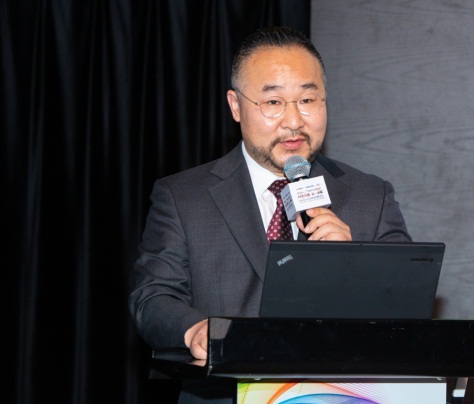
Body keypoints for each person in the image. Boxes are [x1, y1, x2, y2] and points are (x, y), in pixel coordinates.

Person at [129, 26, 412, 403]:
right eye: (274, 102)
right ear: (235, 106)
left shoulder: (370, 196)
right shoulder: (183, 197)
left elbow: (407, 311)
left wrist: (353, 266)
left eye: (307, 99)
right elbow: (153, 297)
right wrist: (195, 329)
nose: (294, 121)